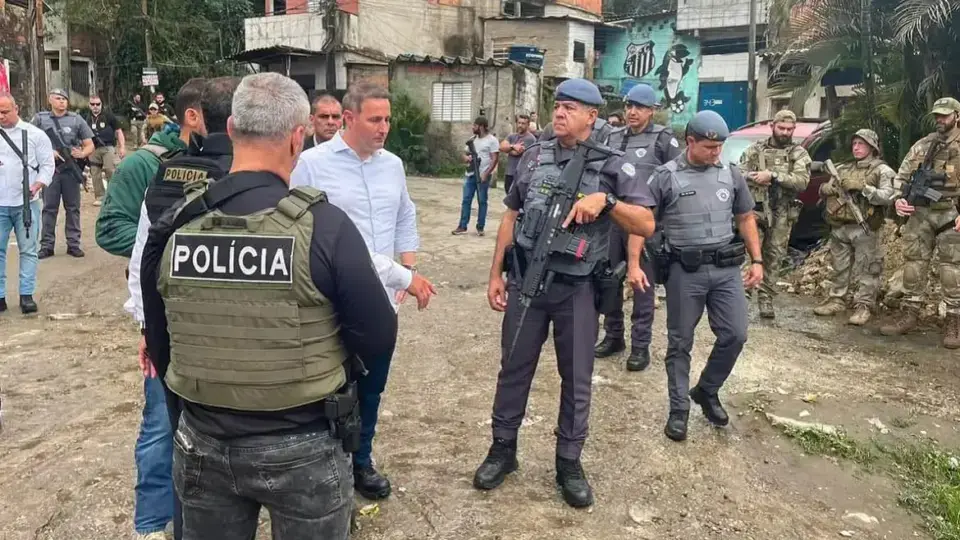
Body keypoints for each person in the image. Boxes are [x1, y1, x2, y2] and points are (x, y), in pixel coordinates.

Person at [140, 71, 397, 540]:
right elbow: (378, 335)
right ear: (299, 137)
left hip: (203, 439)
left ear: (232, 128)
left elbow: (159, 341)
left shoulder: (176, 223)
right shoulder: (327, 227)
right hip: (304, 443)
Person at [474, 78, 656, 508]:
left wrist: (607, 203)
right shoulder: (534, 156)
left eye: (570, 108)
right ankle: (503, 448)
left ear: (592, 117)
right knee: (513, 368)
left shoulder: (613, 165)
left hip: (576, 289)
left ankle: (568, 461)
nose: (559, 113)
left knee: (576, 377)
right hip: (527, 284)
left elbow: (646, 223)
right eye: (557, 105)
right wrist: (496, 273)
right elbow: (510, 216)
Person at [291, 81, 436, 500]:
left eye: (387, 119)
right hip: (329, 300)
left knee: (372, 388)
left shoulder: (391, 165)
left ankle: (360, 462)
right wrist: (405, 277)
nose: (384, 127)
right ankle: (321, 469)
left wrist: (407, 266)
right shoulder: (312, 165)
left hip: (382, 300)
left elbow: (406, 214)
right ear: (348, 119)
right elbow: (319, 238)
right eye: (375, 119)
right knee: (328, 387)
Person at [96, 77, 207, 540]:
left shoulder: (223, 162)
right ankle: (150, 523)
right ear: (193, 117)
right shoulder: (146, 165)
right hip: (161, 314)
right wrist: (165, 254)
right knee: (160, 424)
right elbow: (110, 228)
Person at [129, 76, 238, 539]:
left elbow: (141, 261)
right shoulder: (270, 174)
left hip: (171, 329)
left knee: (163, 427)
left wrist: (147, 329)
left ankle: (155, 525)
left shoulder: (166, 175)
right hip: (238, 332)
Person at [648, 110, 763, 442]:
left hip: (726, 270)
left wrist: (756, 260)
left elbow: (745, 218)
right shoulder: (665, 176)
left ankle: (707, 390)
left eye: (720, 147)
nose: (716, 153)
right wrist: (640, 260)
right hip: (685, 272)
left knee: (736, 334)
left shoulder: (731, 173)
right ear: (690, 142)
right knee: (680, 342)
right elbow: (643, 221)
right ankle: (678, 409)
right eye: (710, 147)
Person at [595, 83, 682, 371]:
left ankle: (640, 345)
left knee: (642, 285)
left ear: (652, 110)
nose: (633, 112)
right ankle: (613, 335)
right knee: (609, 280)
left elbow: (675, 180)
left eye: (640, 107)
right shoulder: (614, 136)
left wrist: (663, 223)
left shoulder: (663, 139)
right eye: (630, 106)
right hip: (614, 219)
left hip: (645, 224)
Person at [882, 97, 960, 347]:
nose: (940, 119)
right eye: (937, 115)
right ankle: (909, 313)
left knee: (952, 269)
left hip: (952, 214)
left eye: (945, 115)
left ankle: (954, 320)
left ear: (957, 116)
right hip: (921, 214)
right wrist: (898, 199)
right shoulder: (924, 145)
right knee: (914, 264)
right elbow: (902, 175)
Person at [813, 129, 896, 325]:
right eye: (854, 144)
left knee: (868, 268)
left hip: (865, 227)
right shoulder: (842, 168)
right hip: (840, 226)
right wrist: (829, 188)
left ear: (872, 147)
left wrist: (863, 188)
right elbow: (823, 189)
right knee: (839, 267)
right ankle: (836, 299)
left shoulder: (882, 171)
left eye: (862, 144)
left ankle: (864, 305)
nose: (856, 147)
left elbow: (889, 197)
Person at [738, 109, 811, 319]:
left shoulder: (798, 153)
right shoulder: (755, 150)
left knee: (775, 255)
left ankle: (766, 298)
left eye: (789, 129)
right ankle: (742, 297)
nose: (785, 132)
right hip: (757, 209)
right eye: (782, 128)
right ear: (773, 126)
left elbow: (802, 181)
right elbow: (738, 173)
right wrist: (752, 176)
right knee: (751, 252)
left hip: (782, 211)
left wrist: (773, 175)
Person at [0, 92, 55, 314]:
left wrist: (39, 184)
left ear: (16, 109)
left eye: (5, 112)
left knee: (29, 250)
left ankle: (26, 294)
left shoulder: (35, 135)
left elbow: (48, 165)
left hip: (26, 202)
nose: (1, 116)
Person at [32, 88, 94, 258]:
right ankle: (46, 245)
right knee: (49, 208)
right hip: (50, 170)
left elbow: (90, 144)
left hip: (70, 170)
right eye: (58, 98)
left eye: (64, 99)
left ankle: (73, 244)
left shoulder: (76, 120)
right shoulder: (40, 119)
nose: (62, 102)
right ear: (50, 100)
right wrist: (47, 151)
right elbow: (29, 140)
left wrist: (82, 153)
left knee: (72, 208)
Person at [453, 116, 499, 236]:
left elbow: (494, 159)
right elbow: (464, 154)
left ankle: (480, 227)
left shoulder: (492, 140)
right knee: (466, 200)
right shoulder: (472, 140)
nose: (473, 127)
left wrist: (487, 173)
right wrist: (466, 158)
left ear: (482, 126)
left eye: (475, 125)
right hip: (470, 174)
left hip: (482, 176)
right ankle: (462, 226)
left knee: (482, 201)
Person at [84, 95, 126, 206]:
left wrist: (122, 147)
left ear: (101, 104)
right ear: (89, 105)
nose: (95, 106)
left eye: (98, 104)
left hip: (108, 147)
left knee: (110, 170)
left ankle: (114, 196)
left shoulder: (108, 115)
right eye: (92, 104)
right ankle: (100, 196)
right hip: (93, 148)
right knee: (95, 173)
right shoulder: (85, 118)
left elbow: (119, 131)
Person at [499, 114, 537, 195]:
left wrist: (508, 149)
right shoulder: (512, 136)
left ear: (528, 125)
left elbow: (517, 152)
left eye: (523, 123)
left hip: (521, 175)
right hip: (509, 173)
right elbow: (501, 147)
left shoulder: (530, 139)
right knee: (508, 196)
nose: (520, 125)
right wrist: (513, 146)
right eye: (519, 123)